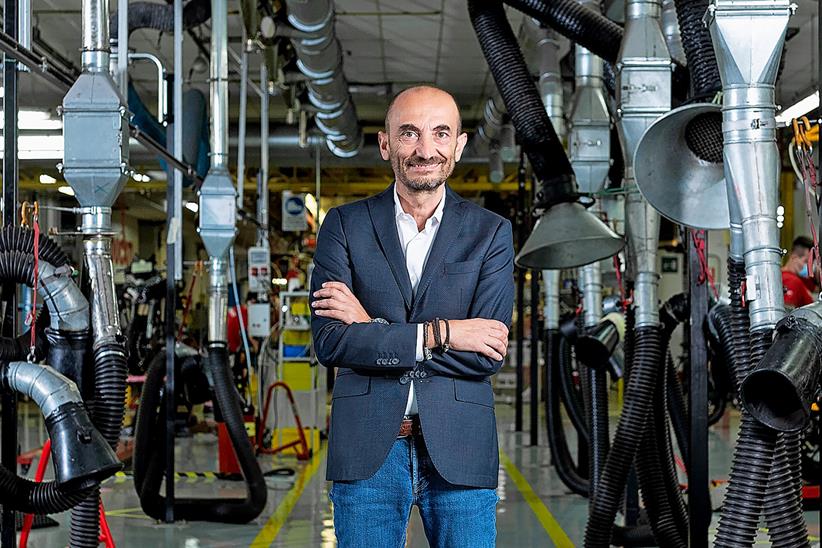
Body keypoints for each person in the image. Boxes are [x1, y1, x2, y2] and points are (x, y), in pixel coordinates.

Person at [310, 85, 514, 548]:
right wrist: (446, 333)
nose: (426, 149)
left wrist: (373, 329)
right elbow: (331, 343)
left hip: (461, 449)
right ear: (386, 144)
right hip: (368, 453)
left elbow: (487, 355)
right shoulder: (343, 226)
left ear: (459, 147)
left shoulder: (491, 233)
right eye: (409, 134)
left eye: (441, 133)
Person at [782, 236, 817, 308]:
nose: (809, 267)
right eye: (806, 261)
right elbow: (786, 313)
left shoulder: (801, 280)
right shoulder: (792, 281)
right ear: (794, 257)